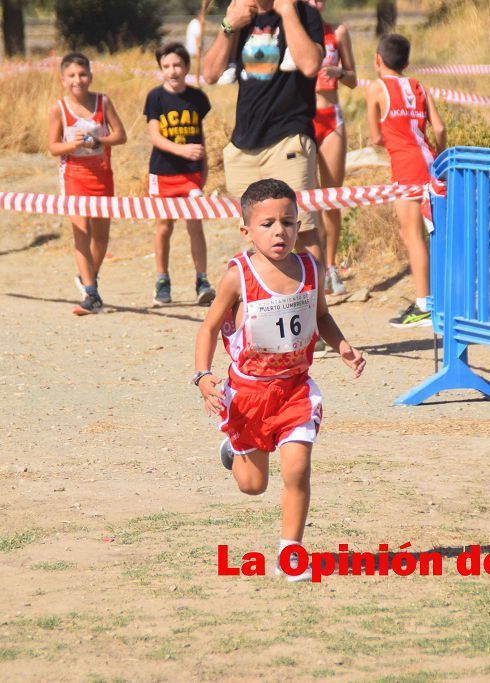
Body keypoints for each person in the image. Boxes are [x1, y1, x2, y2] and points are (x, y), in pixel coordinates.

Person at [193, 178, 365, 581]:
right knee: (253, 486)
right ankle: (231, 451)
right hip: (249, 393)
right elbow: (207, 328)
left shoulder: (310, 267)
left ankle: (291, 553)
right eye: (267, 223)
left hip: (294, 390)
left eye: (288, 222)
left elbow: (320, 316)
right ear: (246, 230)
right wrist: (203, 376)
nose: (279, 232)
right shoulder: (238, 276)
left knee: (297, 469)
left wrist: (342, 347)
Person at [202, 0, 326, 263]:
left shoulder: (304, 12)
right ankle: (271, 301)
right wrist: (228, 26)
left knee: (301, 230)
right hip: (243, 146)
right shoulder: (240, 16)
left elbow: (311, 65)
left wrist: (288, 11)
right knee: (258, 234)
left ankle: (316, 303)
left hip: (289, 138)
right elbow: (210, 74)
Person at [366, 33, 447, 328]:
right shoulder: (418, 85)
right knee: (435, 232)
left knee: (412, 236)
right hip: (431, 161)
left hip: (405, 167)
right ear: (407, 62)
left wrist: (393, 140)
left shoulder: (376, 88)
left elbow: (375, 136)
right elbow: (438, 127)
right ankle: (441, 299)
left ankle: (425, 304)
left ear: (378, 60)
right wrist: (443, 155)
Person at [47, 52, 127, 315]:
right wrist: (74, 145)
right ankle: (92, 293)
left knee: (101, 237)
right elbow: (53, 147)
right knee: (81, 231)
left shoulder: (103, 102)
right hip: (74, 175)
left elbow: (120, 135)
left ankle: (88, 277)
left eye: (82, 74)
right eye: (71, 76)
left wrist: (99, 141)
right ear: (62, 80)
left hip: (102, 175)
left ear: (90, 76)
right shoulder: (59, 108)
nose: (77, 80)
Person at [145, 43, 217, 307]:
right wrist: (181, 150)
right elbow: (154, 136)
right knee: (164, 226)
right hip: (163, 173)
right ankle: (162, 280)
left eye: (177, 65)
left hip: (191, 174)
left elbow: (200, 137)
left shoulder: (198, 98)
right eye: (166, 66)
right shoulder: (155, 97)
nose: (172, 71)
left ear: (186, 67)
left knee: (195, 225)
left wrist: (204, 167)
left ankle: (202, 280)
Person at [306, 0, 356, 294]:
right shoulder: (294, 30)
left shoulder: (338, 32)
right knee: (307, 198)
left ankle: (332, 266)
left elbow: (354, 80)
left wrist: (339, 74)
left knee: (331, 197)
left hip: (332, 117)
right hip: (303, 118)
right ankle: (312, 266)